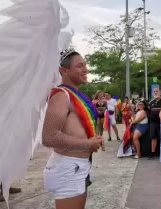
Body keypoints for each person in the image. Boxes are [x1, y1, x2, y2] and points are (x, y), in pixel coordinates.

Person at [42, 49, 104, 209]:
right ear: (64, 71)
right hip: (68, 167)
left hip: (77, 165)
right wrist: (88, 144)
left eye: (85, 65)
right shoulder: (61, 95)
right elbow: (49, 137)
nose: (85, 70)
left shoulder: (75, 94)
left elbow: (76, 127)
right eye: (79, 66)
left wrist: (94, 139)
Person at [148, 88, 161, 159]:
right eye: (154, 91)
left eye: (157, 91)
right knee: (153, 137)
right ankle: (153, 153)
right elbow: (148, 111)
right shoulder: (151, 102)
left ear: (160, 92)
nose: (155, 93)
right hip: (153, 122)